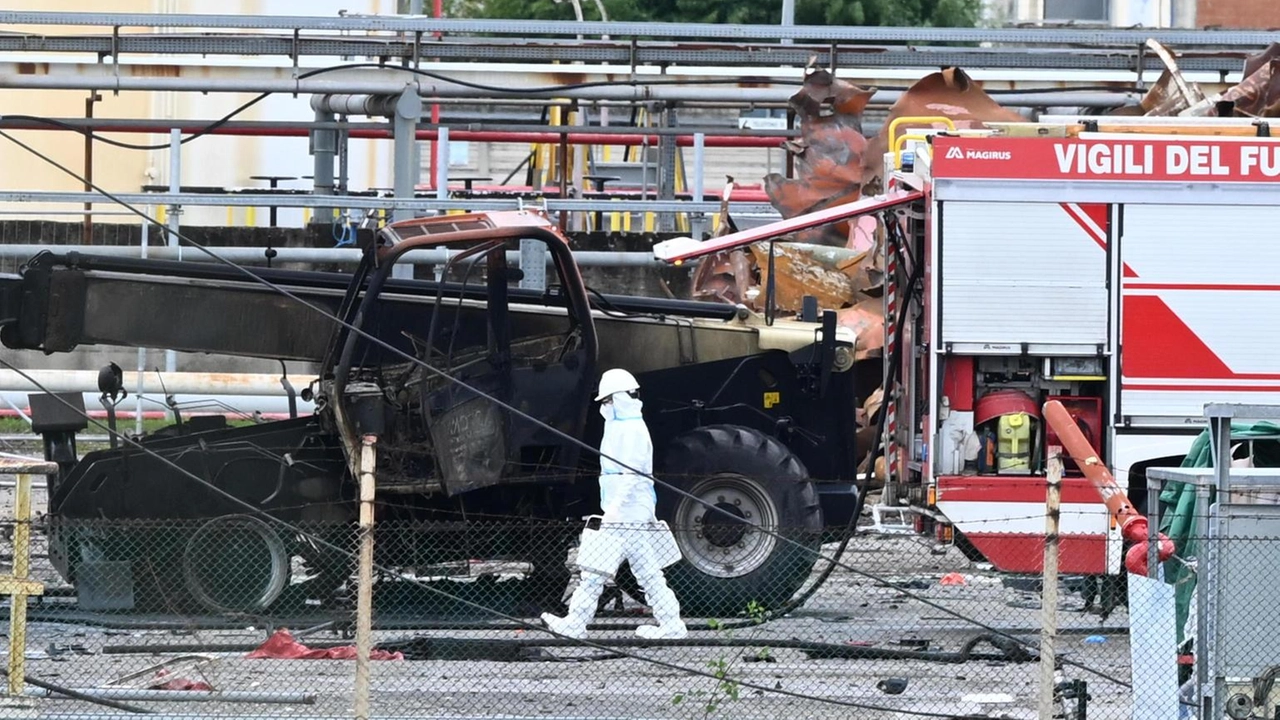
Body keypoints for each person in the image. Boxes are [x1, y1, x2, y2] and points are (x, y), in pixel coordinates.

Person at [541, 368, 688, 640]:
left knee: (595, 568)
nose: (605, 407)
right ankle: (671, 623)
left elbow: (631, 474)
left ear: (619, 398)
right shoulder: (621, 426)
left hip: (626, 511)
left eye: (608, 401)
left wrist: (615, 509)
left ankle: (576, 622)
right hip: (627, 510)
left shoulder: (632, 429)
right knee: (644, 572)